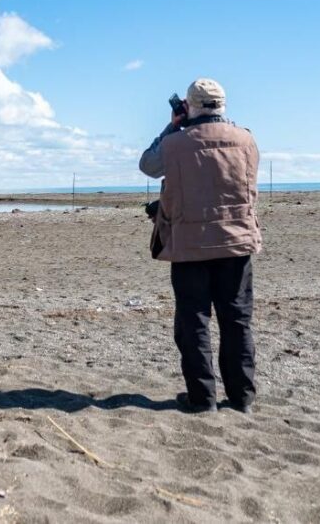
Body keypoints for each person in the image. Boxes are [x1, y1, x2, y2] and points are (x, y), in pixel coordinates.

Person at [139, 78, 261, 414]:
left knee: (193, 322)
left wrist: (172, 127)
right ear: (222, 105)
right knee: (236, 321)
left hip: (189, 244)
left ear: (189, 106)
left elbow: (148, 165)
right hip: (236, 243)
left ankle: (202, 398)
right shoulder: (246, 140)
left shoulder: (176, 143)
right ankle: (242, 398)